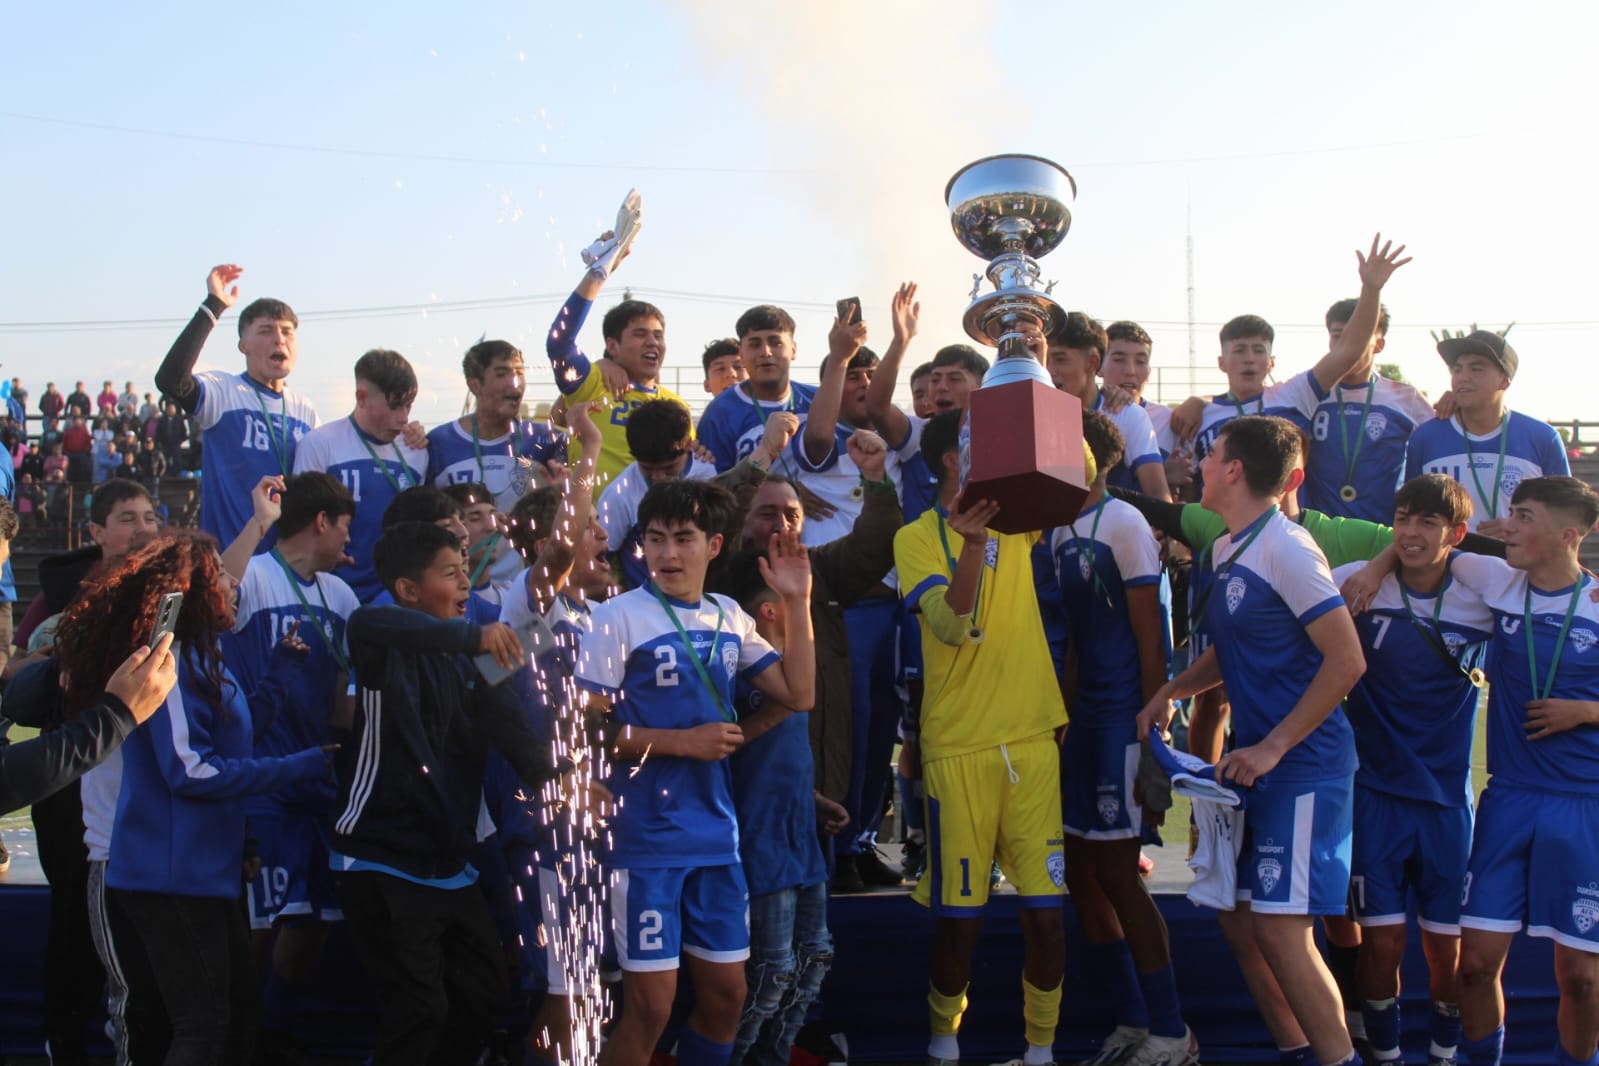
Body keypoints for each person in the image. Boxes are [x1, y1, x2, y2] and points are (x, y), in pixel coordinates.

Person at [1138, 416, 1367, 1066]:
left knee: (1281, 931)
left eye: (1210, 456)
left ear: (1234, 469)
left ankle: (1339, 1059)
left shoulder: (1287, 549)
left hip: (1304, 767)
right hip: (1260, 767)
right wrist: (1170, 690)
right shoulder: (1226, 548)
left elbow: (1346, 660)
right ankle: (1298, 1051)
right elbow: (1232, 649)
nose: (1199, 466)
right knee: (1240, 924)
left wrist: (1274, 747)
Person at [55, 531, 334, 1064]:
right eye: (221, 578)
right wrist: (296, 767)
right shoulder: (169, 665)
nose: (234, 585)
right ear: (191, 592)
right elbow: (191, 772)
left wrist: (279, 674)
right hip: (170, 877)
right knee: (203, 1026)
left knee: (238, 1016)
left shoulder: (206, 659)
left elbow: (233, 741)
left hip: (206, 872)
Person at [578, 480, 816, 1066]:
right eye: (655, 538)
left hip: (715, 838)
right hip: (645, 840)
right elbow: (587, 731)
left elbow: (799, 694)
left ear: (713, 546)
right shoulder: (616, 616)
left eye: (683, 538)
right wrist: (683, 743)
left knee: (727, 998)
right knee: (650, 1010)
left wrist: (798, 602)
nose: (667, 553)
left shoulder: (729, 615)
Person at [331, 521, 579, 1064]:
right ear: (407, 589)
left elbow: (511, 729)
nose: (466, 584)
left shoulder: (474, 656)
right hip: (380, 859)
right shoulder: (375, 637)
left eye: (465, 571)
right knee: (419, 1010)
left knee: (484, 994)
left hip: (448, 863)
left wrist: (556, 776)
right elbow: (379, 624)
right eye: (450, 574)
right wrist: (474, 637)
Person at [895, 409, 1068, 1066]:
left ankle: (1040, 1054)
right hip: (958, 748)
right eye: (976, 440)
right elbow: (947, 624)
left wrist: (1028, 372)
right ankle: (943, 1048)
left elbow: (1077, 464)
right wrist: (970, 547)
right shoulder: (915, 536)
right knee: (960, 921)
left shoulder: (1018, 520)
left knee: (1045, 915)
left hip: (1030, 740)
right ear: (951, 458)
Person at [1412, 476, 1598, 1066]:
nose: (1508, 526)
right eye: (1511, 512)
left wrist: (1586, 711)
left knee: (1582, 979)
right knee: (1473, 968)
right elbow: (1421, 546)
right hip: (1510, 799)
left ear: (1568, 535)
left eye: (1524, 517)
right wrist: (1374, 571)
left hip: (1585, 805)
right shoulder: (1494, 579)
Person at [1323, 475, 1491, 1065]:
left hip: (1447, 803)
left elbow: (1551, 587)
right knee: (1383, 944)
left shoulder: (1482, 596)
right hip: (1375, 795)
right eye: (1402, 520)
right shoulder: (1356, 585)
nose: (1411, 533)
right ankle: (1387, 1057)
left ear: (1456, 535)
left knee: (1448, 953)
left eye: (1427, 523)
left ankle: (1443, 1056)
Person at [1051, 412, 1197, 1066]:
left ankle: (1173, 1031)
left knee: (1115, 871)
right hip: (1083, 723)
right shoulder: (1061, 527)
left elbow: (1150, 636)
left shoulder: (1124, 523)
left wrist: (1153, 725)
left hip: (1122, 722)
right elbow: (1075, 638)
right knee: (1080, 871)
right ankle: (1134, 1020)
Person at [723, 546, 849, 1066]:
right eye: (796, 604)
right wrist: (776, 713)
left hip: (800, 835)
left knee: (813, 959)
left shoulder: (796, 673)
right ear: (770, 611)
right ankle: (725, 1056)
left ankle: (773, 1057)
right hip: (760, 840)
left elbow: (786, 757)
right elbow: (720, 746)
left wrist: (813, 800)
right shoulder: (740, 672)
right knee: (772, 968)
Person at [154, 263, 320, 551]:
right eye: (266, 331)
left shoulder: (304, 410)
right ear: (243, 345)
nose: (279, 338)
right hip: (230, 559)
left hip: (285, 563)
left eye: (287, 332)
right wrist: (213, 305)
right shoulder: (224, 391)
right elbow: (171, 380)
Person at [545, 217, 690, 489]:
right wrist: (599, 272)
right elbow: (559, 343)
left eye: (658, 335)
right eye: (640, 334)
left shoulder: (676, 407)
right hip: (594, 515)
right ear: (613, 346)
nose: (652, 343)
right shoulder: (593, 384)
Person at [1403, 330, 1569, 537]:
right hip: (1449, 557)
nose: (1463, 377)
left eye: (1476, 369)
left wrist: (1520, 526)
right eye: (1457, 369)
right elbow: (1409, 513)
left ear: (1504, 380)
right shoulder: (1425, 437)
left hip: (1518, 557)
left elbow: (1565, 514)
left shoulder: (1543, 438)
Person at [293, 349, 428, 602]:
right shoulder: (320, 443)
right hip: (333, 593)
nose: (404, 418)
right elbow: (300, 523)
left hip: (394, 596)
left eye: (408, 406)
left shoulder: (415, 449)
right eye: (395, 406)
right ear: (362, 397)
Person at [427, 339, 568, 518]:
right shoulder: (439, 443)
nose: (515, 383)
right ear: (475, 385)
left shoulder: (547, 439)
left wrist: (559, 495)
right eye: (501, 374)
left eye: (520, 373)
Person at [1045, 313, 1172, 501]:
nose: (1049, 370)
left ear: (1092, 363)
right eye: (1044, 359)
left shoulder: (1127, 414)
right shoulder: (1036, 414)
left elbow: (1159, 496)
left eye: (1060, 359)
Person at [596, 398, 718, 592]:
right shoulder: (619, 494)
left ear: (689, 444)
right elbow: (600, 556)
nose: (659, 477)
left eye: (669, 469)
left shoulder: (710, 474)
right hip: (645, 602)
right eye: (647, 469)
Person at [697, 304, 816, 474]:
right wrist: (766, 449)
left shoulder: (818, 400)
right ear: (742, 354)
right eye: (755, 345)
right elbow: (712, 486)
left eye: (776, 343)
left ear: (793, 350)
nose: (765, 352)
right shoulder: (719, 413)